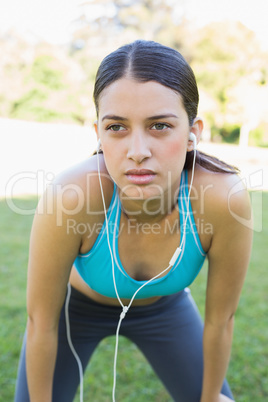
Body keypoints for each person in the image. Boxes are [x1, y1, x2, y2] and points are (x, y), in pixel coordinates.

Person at [15, 40, 252, 402]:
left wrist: (208, 398)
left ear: (193, 133)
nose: (138, 151)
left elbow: (221, 321)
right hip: (72, 311)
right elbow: (41, 323)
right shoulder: (70, 195)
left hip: (165, 308)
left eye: (159, 126)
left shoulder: (224, 198)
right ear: (98, 132)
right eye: (116, 127)